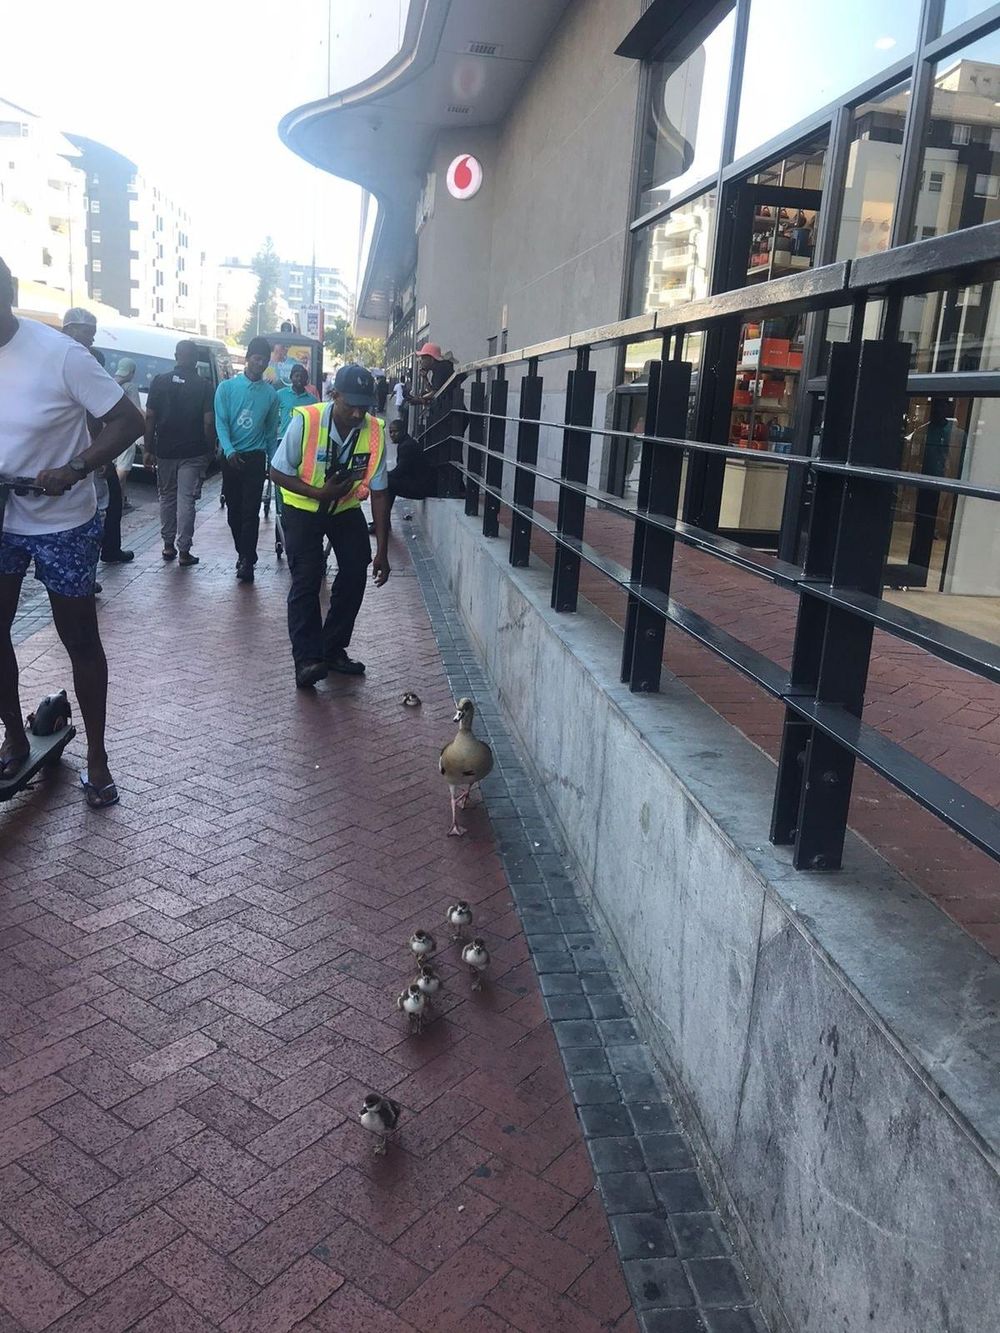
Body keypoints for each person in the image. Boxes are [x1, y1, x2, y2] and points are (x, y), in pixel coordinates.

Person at [0, 258, 144, 807]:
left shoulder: (61, 354)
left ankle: (99, 758)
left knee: (79, 638)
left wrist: (78, 466)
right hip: (2, 516)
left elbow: (129, 420)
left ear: (8, 294)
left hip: (62, 520)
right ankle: (15, 739)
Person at [269, 363, 391, 688]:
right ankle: (307, 660)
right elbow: (277, 471)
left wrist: (382, 551)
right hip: (303, 507)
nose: (357, 414)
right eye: (350, 405)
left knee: (355, 568)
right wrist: (318, 493)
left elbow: (380, 494)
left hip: (343, 507)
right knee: (307, 577)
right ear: (334, 395)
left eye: (364, 406)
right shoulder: (306, 421)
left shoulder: (375, 431)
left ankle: (332, 648)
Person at [62, 309, 134, 566]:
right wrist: (101, 454)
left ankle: (102, 554)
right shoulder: (77, 360)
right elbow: (94, 415)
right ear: (70, 329)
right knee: (99, 505)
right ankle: (93, 560)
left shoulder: (66, 356)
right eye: (87, 333)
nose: (91, 339)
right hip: (80, 452)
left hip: (80, 450)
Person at [144, 340, 216, 566]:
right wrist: (210, 448)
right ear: (196, 359)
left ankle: (168, 546)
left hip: (165, 450)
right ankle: (184, 550)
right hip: (193, 451)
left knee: (166, 496)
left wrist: (148, 448)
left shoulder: (159, 381)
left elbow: (150, 416)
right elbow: (208, 422)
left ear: (176, 356)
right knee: (186, 499)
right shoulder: (204, 386)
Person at [214, 336, 278, 582]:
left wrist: (273, 462)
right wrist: (229, 450)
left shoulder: (271, 395)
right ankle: (244, 552)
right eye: (257, 358)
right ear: (248, 358)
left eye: (265, 360)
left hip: (255, 459)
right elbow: (221, 422)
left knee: (251, 512)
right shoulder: (227, 388)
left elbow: (270, 432)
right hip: (231, 458)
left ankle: (247, 561)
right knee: (234, 512)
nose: (260, 364)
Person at [367, 418, 434, 533]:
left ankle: (382, 523)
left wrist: (382, 476)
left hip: (421, 488)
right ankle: (383, 522)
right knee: (387, 482)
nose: (392, 435)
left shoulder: (407, 446)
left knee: (386, 483)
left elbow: (399, 472)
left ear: (403, 431)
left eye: (395, 431)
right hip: (418, 483)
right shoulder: (406, 443)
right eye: (390, 432)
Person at [113, 358, 142, 507]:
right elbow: (137, 409)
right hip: (126, 433)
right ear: (132, 372)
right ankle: (112, 493)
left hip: (110, 432)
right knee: (122, 469)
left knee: (113, 466)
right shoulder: (130, 387)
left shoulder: (111, 383)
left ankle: (121, 499)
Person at [275, 362, 318, 444]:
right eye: (296, 376)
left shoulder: (313, 400)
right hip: (283, 439)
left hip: (303, 441)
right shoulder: (280, 394)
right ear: (291, 377)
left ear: (306, 379)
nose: (299, 379)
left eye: (302, 376)